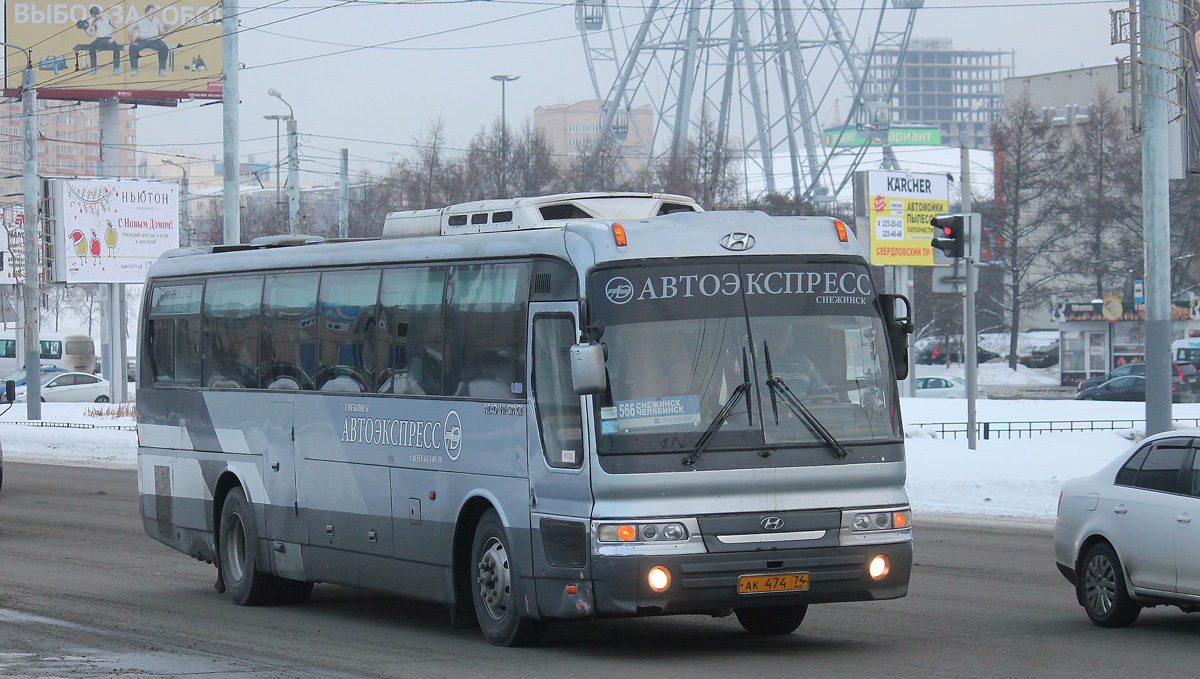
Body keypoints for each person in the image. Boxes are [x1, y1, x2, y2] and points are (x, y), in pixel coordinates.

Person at [126, 5, 172, 77]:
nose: (153, 14)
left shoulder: (156, 20)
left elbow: (161, 32)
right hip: (141, 40)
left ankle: (162, 69)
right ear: (147, 12)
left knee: (164, 48)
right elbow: (130, 29)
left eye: (154, 12)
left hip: (154, 40)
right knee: (132, 47)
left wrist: (166, 30)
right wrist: (132, 41)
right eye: (151, 12)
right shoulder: (140, 19)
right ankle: (134, 69)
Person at [83, 6, 121, 75]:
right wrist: (85, 29)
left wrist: (112, 39)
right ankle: (93, 69)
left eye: (94, 16)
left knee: (116, 48)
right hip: (99, 39)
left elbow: (117, 28)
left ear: (95, 14)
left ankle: (116, 69)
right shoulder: (94, 21)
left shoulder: (108, 17)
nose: (93, 18)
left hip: (108, 38)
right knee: (91, 47)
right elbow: (91, 34)